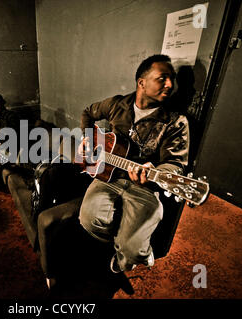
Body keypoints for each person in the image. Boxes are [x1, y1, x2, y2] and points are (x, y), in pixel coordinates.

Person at [77, 54, 190, 275]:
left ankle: (127, 258)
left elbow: (176, 165)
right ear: (142, 82)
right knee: (88, 220)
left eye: (172, 79)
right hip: (108, 175)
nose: (170, 85)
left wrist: (155, 172)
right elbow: (87, 113)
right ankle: (121, 243)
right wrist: (88, 139)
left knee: (133, 252)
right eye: (162, 78)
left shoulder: (176, 122)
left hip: (146, 186)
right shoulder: (117, 104)